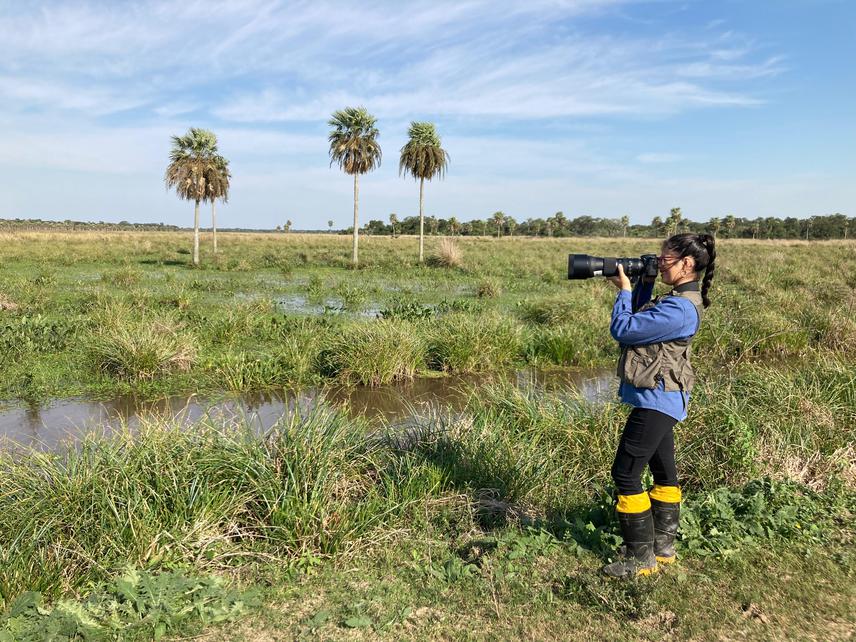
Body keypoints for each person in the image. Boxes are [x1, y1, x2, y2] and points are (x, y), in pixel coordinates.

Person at [601, 233, 716, 578]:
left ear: (687, 264)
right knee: (665, 473)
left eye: (666, 259)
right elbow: (640, 319)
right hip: (664, 398)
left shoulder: (679, 308)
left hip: (657, 401)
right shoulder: (678, 300)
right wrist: (644, 284)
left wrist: (623, 291)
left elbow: (624, 328)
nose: (660, 262)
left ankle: (640, 560)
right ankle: (662, 549)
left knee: (625, 473)